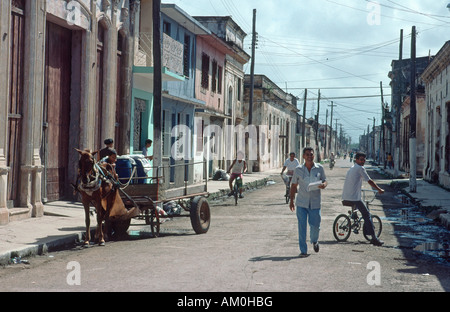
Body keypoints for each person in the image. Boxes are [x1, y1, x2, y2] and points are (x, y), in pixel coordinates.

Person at [289, 147, 327, 256]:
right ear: (303, 156)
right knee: (302, 227)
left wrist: (324, 185)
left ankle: (314, 240)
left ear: (314, 156)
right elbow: (293, 185)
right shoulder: (298, 169)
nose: (310, 156)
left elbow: (324, 180)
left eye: (311, 154)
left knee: (315, 226)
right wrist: (291, 201)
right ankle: (303, 251)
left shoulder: (319, 168)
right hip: (301, 202)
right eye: (307, 155)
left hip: (315, 203)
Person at [342, 151, 385, 246]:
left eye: (364, 160)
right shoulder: (360, 168)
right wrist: (379, 189)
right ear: (356, 159)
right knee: (367, 214)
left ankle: (354, 220)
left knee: (358, 210)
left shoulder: (352, 168)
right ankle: (374, 238)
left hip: (346, 196)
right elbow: (369, 181)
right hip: (354, 197)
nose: (363, 162)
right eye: (361, 160)